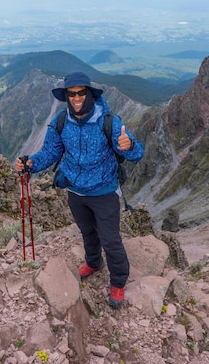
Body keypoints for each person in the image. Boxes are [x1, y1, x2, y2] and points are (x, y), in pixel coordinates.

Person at [15, 71, 144, 308]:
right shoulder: (61, 122)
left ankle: (118, 281)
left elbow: (137, 154)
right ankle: (94, 263)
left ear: (90, 94)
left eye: (81, 93)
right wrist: (31, 164)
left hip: (104, 191)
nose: (76, 98)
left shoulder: (109, 121)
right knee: (87, 232)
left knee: (111, 240)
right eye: (71, 94)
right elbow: (51, 152)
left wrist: (130, 145)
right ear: (66, 96)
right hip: (75, 191)